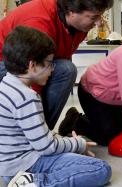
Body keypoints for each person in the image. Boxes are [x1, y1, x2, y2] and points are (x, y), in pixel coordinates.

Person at [0, 26, 111, 187]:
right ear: (32, 65)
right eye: (49, 63)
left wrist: (65, 143)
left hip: (10, 167)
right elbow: (47, 147)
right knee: (101, 168)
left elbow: (38, 137)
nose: (52, 70)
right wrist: (77, 144)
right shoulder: (26, 97)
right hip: (26, 165)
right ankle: (35, 183)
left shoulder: (6, 85)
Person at [0, 0, 114, 130]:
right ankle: (29, 135)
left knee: (66, 70)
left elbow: (62, 57)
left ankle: (43, 135)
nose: (99, 23)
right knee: (56, 76)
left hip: (31, 63)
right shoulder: (40, 21)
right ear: (72, 11)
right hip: (6, 60)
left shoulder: (80, 27)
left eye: (101, 16)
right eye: (94, 17)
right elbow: (32, 76)